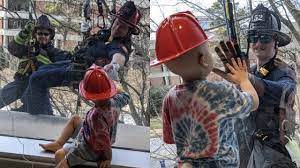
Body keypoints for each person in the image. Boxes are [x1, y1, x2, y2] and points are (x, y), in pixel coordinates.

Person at [150, 11, 259, 167]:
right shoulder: (220, 92)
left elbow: (170, 138)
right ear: (204, 60)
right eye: (208, 49)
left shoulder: (170, 97)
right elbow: (253, 102)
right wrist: (243, 79)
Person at [21, 1, 141, 115]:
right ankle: (38, 110)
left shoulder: (121, 45)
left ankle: (40, 116)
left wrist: (114, 65)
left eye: (123, 27)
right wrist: (88, 33)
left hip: (81, 73)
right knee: (39, 71)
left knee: (36, 79)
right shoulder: (107, 35)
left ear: (129, 31)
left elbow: (119, 56)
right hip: (75, 62)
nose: (117, 28)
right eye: (117, 23)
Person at [215, 4, 297, 168]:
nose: (258, 43)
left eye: (265, 37)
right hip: (245, 150)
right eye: (253, 37)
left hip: (273, 155)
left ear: (276, 42)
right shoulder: (247, 72)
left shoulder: (284, 71)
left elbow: (284, 92)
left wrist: (247, 80)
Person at [39, 64, 130, 168]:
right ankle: (58, 143)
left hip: (92, 148)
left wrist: (107, 158)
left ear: (90, 96)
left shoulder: (96, 117)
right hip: (90, 135)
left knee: (59, 154)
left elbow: (105, 144)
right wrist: (113, 85)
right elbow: (126, 96)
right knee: (75, 119)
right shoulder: (116, 101)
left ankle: (62, 156)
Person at [0, 15, 70, 111]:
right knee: (2, 97)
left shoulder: (53, 53)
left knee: (43, 114)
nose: (42, 36)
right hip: (20, 83)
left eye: (46, 34)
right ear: (35, 35)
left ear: (50, 36)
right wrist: (25, 32)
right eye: (40, 33)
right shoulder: (28, 49)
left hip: (37, 89)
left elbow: (68, 60)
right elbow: (13, 47)